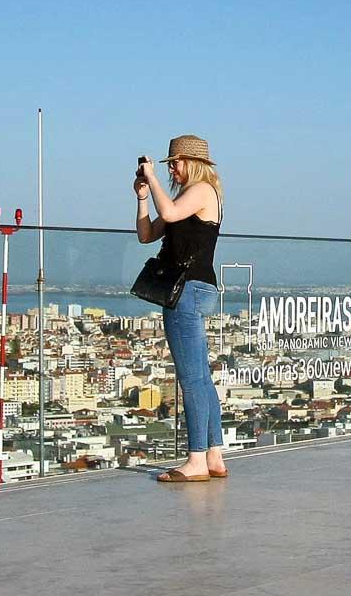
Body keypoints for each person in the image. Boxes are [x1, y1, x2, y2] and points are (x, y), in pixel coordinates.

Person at [135, 134, 227, 483]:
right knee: (201, 377)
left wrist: (155, 182)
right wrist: (144, 198)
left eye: (174, 162)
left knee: (191, 380)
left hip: (186, 291)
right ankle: (214, 455)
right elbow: (147, 234)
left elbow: (170, 213)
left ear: (193, 162)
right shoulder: (189, 196)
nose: (171, 167)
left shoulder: (201, 191)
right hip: (195, 288)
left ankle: (196, 461)